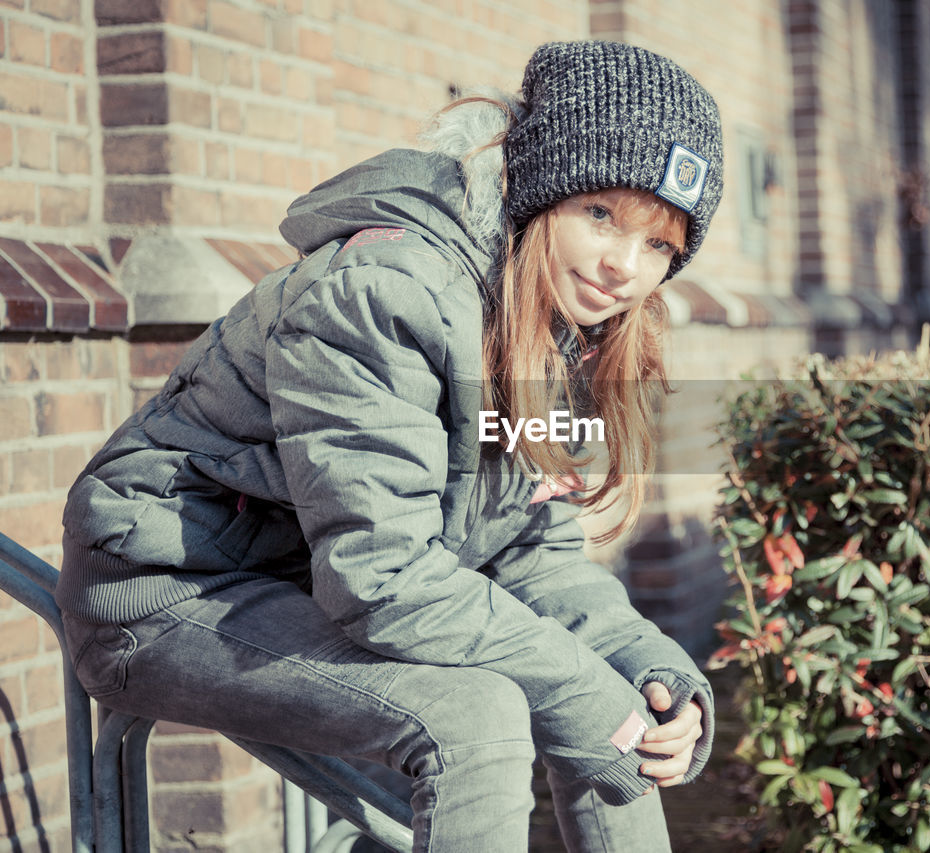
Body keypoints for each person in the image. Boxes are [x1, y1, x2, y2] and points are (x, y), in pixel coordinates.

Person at [54, 40, 723, 851]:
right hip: (171, 590)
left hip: (311, 586)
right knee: (483, 716)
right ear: (547, 190)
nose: (624, 266)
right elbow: (382, 577)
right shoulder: (385, 293)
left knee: (612, 701)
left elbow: (530, 550)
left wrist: (655, 676)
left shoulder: (571, 326)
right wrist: (587, 691)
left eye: (659, 243)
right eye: (601, 214)